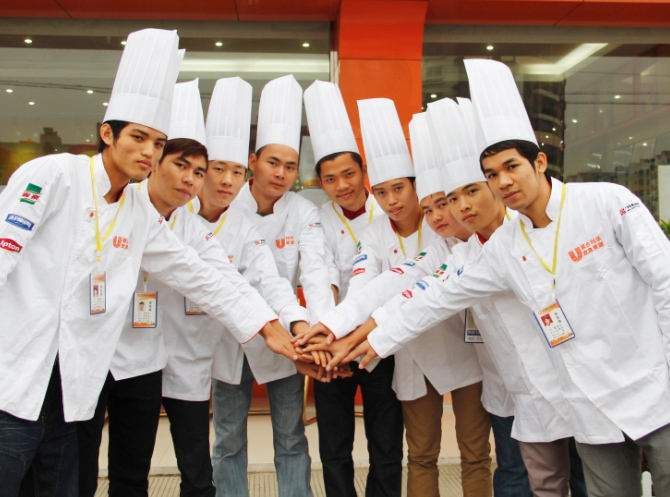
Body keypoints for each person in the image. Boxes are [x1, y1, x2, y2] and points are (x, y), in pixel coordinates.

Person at [347, 59, 670, 497]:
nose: (503, 181)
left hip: (651, 384)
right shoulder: (502, 245)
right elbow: (438, 296)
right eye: (491, 174)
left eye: (511, 167)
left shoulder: (606, 202)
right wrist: (378, 339)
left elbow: (664, 282)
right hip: (585, 401)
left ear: (539, 161)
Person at [0, 29, 296, 497]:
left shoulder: (139, 213)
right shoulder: (55, 174)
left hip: (72, 382)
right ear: (107, 134)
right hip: (17, 373)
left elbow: (198, 275)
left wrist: (267, 327)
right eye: (139, 138)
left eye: (157, 143)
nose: (148, 152)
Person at [226, 74, 335, 497]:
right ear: (252, 161)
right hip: (231, 333)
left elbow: (315, 271)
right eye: (273, 162)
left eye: (291, 166)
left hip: (290, 333)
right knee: (228, 436)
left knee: (290, 436)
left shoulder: (304, 211)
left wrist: (318, 330)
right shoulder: (228, 205)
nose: (282, 173)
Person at [302, 80, 404, 497]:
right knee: (334, 445)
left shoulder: (389, 211)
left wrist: (360, 334)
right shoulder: (316, 220)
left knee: (386, 442)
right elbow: (317, 276)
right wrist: (327, 339)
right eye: (330, 179)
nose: (342, 185)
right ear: (320, 183)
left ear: (363, 172)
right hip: (331, 346)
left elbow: (394, 280)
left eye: (349, 174)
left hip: (382, 341)